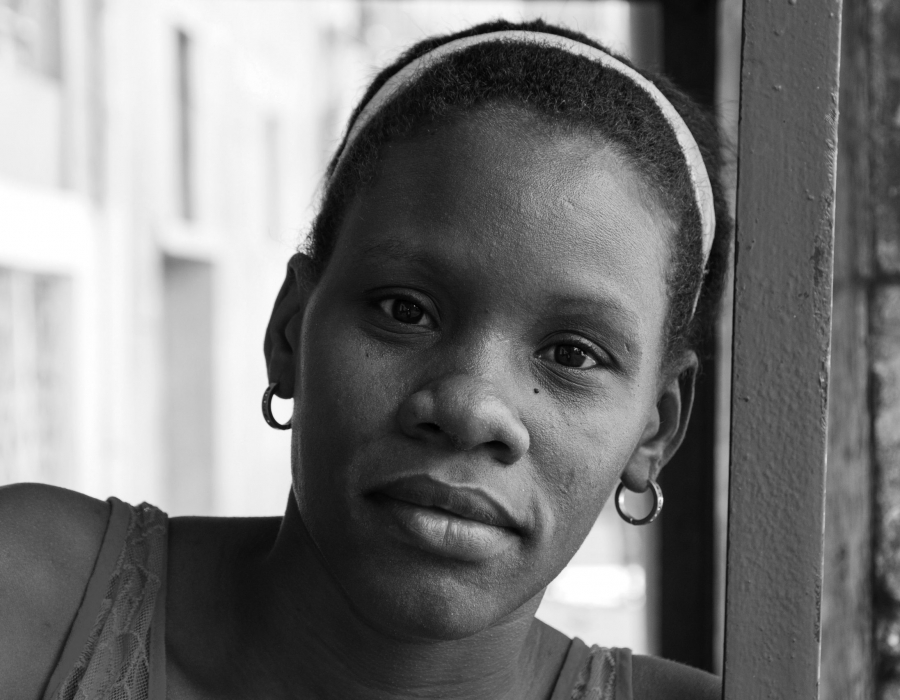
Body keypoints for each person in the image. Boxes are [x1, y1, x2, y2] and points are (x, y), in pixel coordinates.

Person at [0, 18, 731, 700]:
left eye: (573, 353)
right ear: (289, 330)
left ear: (654, 431)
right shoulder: (36, 603)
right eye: (404, 311)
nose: (471, 408)